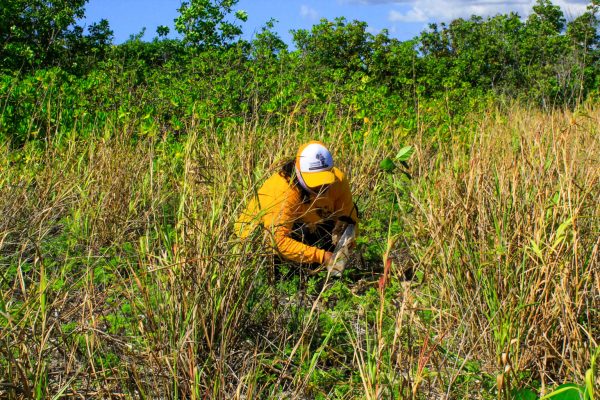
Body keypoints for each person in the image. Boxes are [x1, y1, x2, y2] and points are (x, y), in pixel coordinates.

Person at [235, 141, 358, 267]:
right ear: (298, 173)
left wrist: (348, 242)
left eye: (325, 182)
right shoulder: (282, 191)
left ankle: (325, 269)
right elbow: (276, 241)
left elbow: (349, 215)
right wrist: (321, 256)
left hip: (308, 225)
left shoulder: (338, 181)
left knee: (347, 222)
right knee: (301, 234)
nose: (322, 188)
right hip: (260, 244)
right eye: (316, 184)